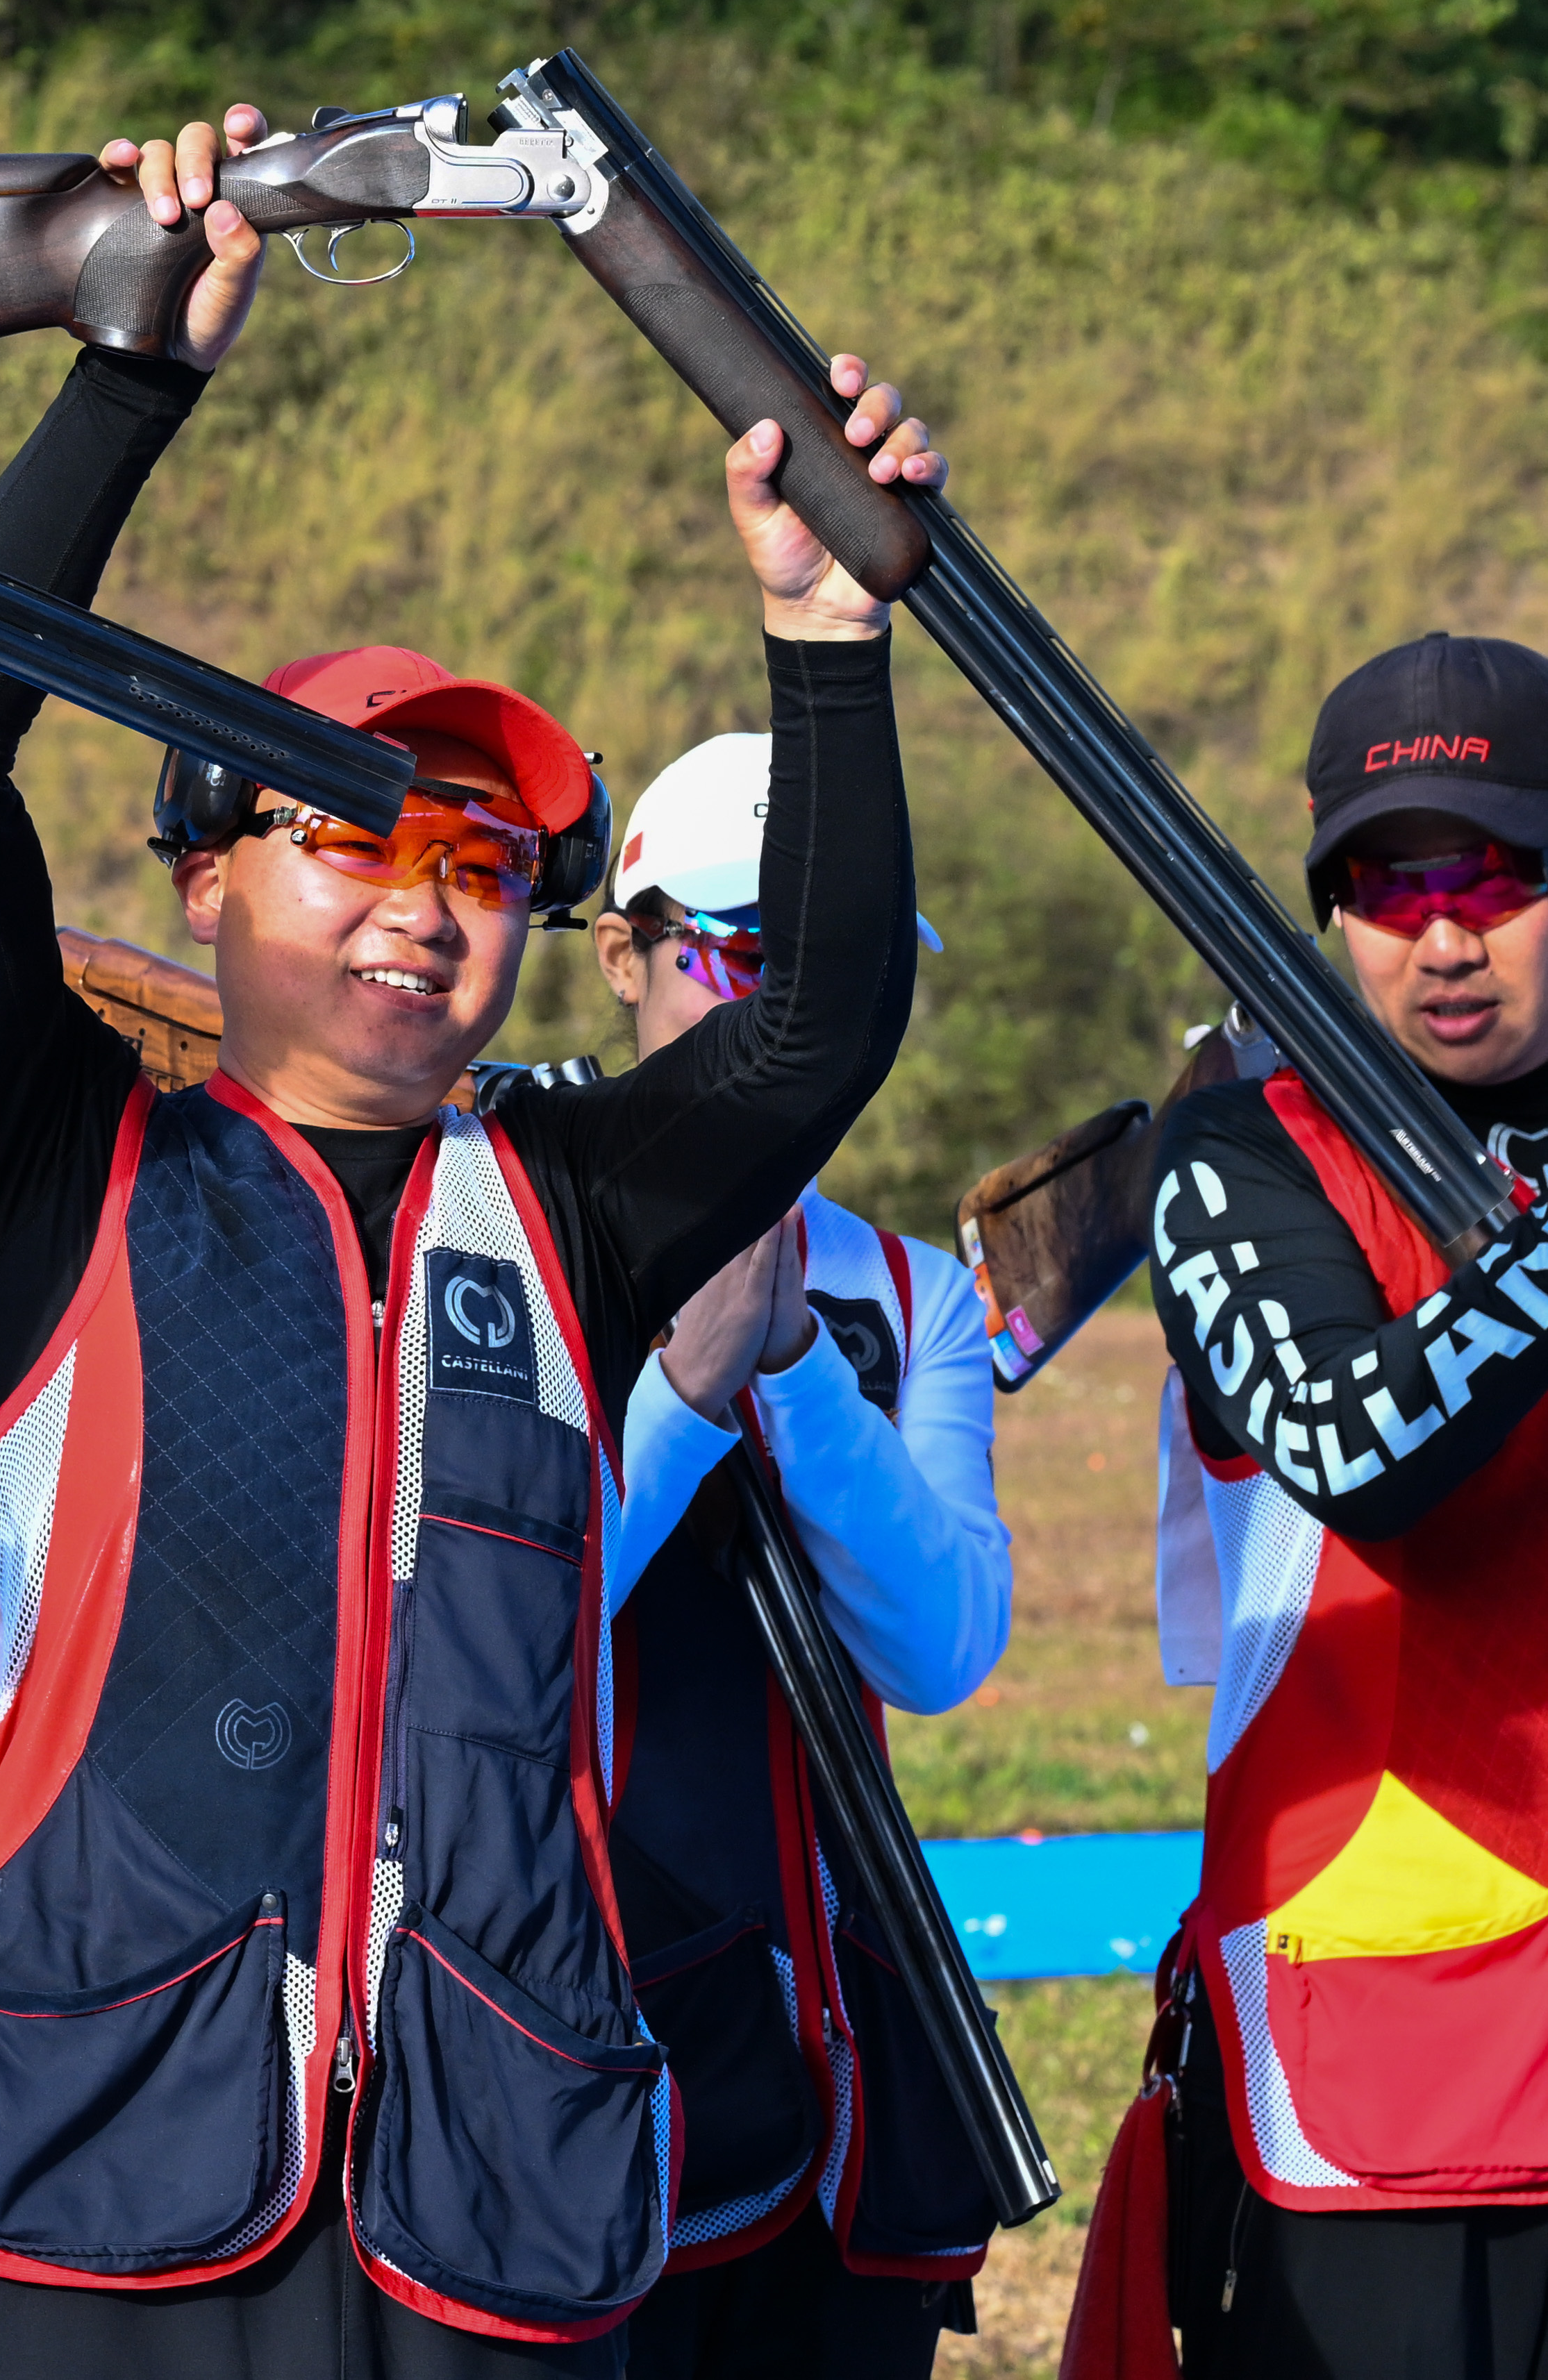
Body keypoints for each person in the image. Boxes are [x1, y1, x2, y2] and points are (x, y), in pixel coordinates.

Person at [0, 105, 943, 2380]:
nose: (418, 897)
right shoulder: (67, 1170)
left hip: (485, 2190)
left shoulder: (565, 1213)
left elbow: (825, 1015)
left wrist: (819, 635)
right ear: (199, 882)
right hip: (95, 2183)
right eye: (339, 830)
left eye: (471, 859)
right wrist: (126, 374)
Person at [583, 735, 1014, 2376]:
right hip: (588, 2025)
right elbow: (483, 1613)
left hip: (842, 2044)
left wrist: (793, 1365)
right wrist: (684, 1394)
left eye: (846, 973)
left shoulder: (915, 1295)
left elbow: (941, 1645)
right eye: (749, 956)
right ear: (621, 954)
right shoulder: (501, 1217)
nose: (797, 1022)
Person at [1147, 632, 1548, 2379]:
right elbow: (1355, 1444)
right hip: (1388, 2042)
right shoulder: (1239, 1142)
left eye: (1495, 873)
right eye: (1386, 883)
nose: (1443, 933)